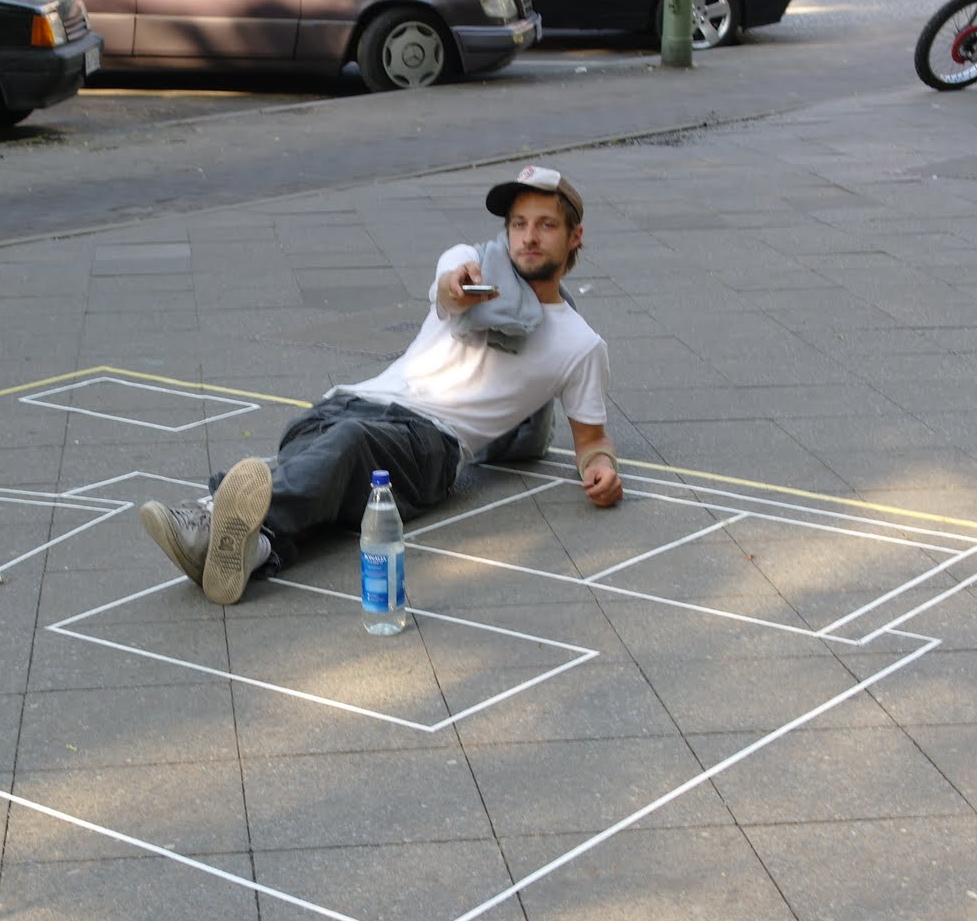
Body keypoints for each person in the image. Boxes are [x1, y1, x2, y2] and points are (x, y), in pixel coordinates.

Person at [140, 164, 624, 605]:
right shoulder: (470, 263)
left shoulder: (580, 344)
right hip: (352, 403)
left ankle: (208, 519)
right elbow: (450, 286)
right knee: (320, 453)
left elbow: (592, 441)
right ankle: (257, 546)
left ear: (575, 236)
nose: (529, 237)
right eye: (518, 224)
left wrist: (601, 469)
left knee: (349, 446)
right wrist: (457, 287)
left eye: (546, 225)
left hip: (429, 444)